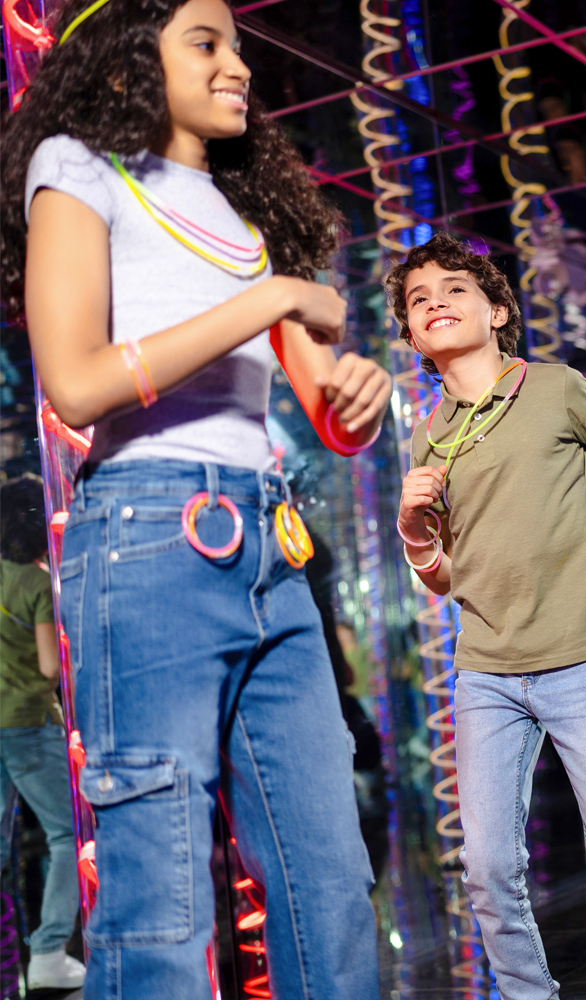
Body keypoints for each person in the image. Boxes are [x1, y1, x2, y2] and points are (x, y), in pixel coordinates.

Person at [4, 0, 391, 993]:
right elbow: (77, 383)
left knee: (332, 882)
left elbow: (324, 410)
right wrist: (267, 301)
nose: (239, 66)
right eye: (206, 43)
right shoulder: (78, 170)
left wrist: (358, 402)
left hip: (272, 540)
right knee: (162, 903)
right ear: (130, 66)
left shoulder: (243, 217)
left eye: (238, 45)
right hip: (147, 538)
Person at [391, 234, 586, 1000]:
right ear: (409, 336)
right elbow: (441, 578)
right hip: (486, 675)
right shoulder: (428, 434)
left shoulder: (556, 386)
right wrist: (413, 532)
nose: (435, 301)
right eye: (418, 298)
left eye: (454, 288)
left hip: (580, 660)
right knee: (489, 866)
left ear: (498, 310)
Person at [0, 476, 82, 989]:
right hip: (30, 724)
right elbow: (51, 667)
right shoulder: (36, 583)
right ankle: (50, 951)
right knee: (67, 834)